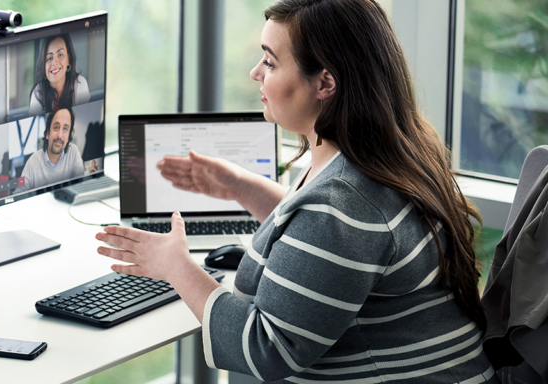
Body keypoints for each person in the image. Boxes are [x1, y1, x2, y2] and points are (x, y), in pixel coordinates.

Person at [94, 0, 496, 382]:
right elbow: (330, 247)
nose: (255, 73)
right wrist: (242, 187)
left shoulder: (344, 207)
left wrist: (175, 267)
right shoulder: (386, 155)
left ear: (325, 83)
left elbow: (267, 349)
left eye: (270, 61)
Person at [16, 107, 87, 193]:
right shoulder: (32, 162)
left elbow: (81, 185)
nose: (60, 135)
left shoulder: (73, 152)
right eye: (56, 127)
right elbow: (19, 194)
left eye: (65, 129)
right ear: (48, 133)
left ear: (68, 137)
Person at [28, 34, 90, 116]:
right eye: (49, 58)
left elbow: (85, 118)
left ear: (68, 59)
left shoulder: (80, 84)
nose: (55, 63)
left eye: (60, 55)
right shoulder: (38, 93)